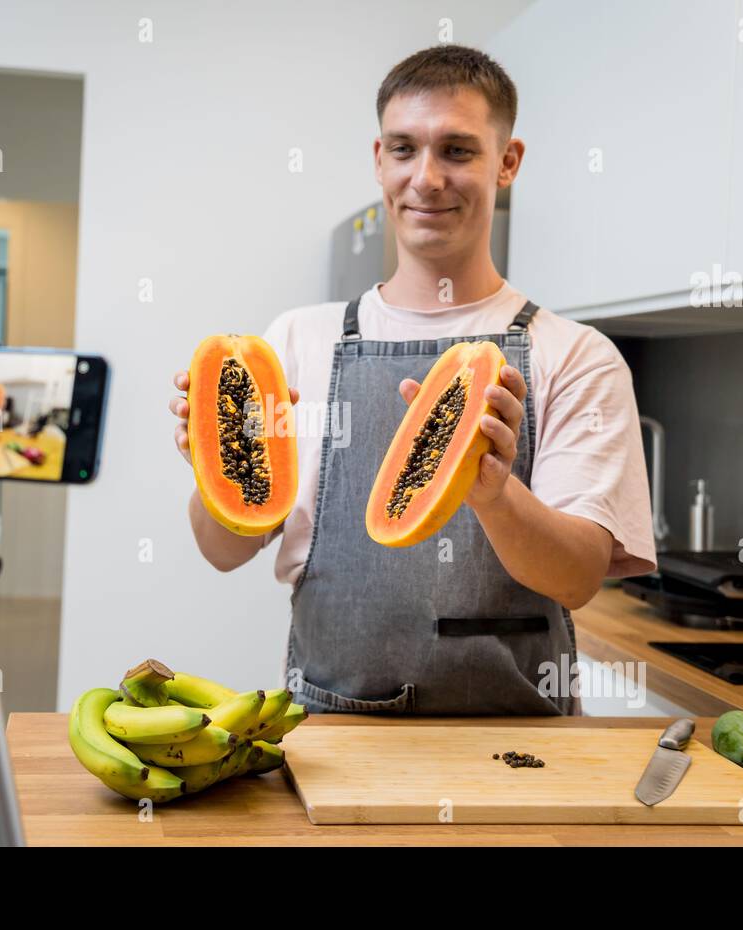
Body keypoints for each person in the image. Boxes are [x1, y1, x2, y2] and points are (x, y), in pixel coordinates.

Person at [169, 45, 656, 715]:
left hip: (517, 756)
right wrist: (216, 464)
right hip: (329, 741)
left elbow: (576, 580)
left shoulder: (575, 356)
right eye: (404, 149)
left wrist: (491, 491)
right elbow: (223, 551)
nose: (426, 179)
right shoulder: (297, 341)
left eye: (457, 151)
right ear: (379, 159)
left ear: (507, 162)